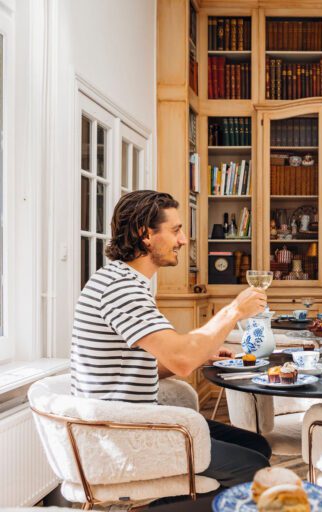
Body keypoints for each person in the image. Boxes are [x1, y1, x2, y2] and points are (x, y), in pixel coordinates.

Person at [70, 190, 271, 488]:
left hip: (133, 423)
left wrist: (203, 353)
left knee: (256, 445)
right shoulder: (121, 289)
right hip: (123, 436)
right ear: (145, 234)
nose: (183, 239)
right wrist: (234, 310)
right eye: (175, 230)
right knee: (254, 467)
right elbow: (180, 360)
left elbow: (138, 367)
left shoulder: (121, 281)